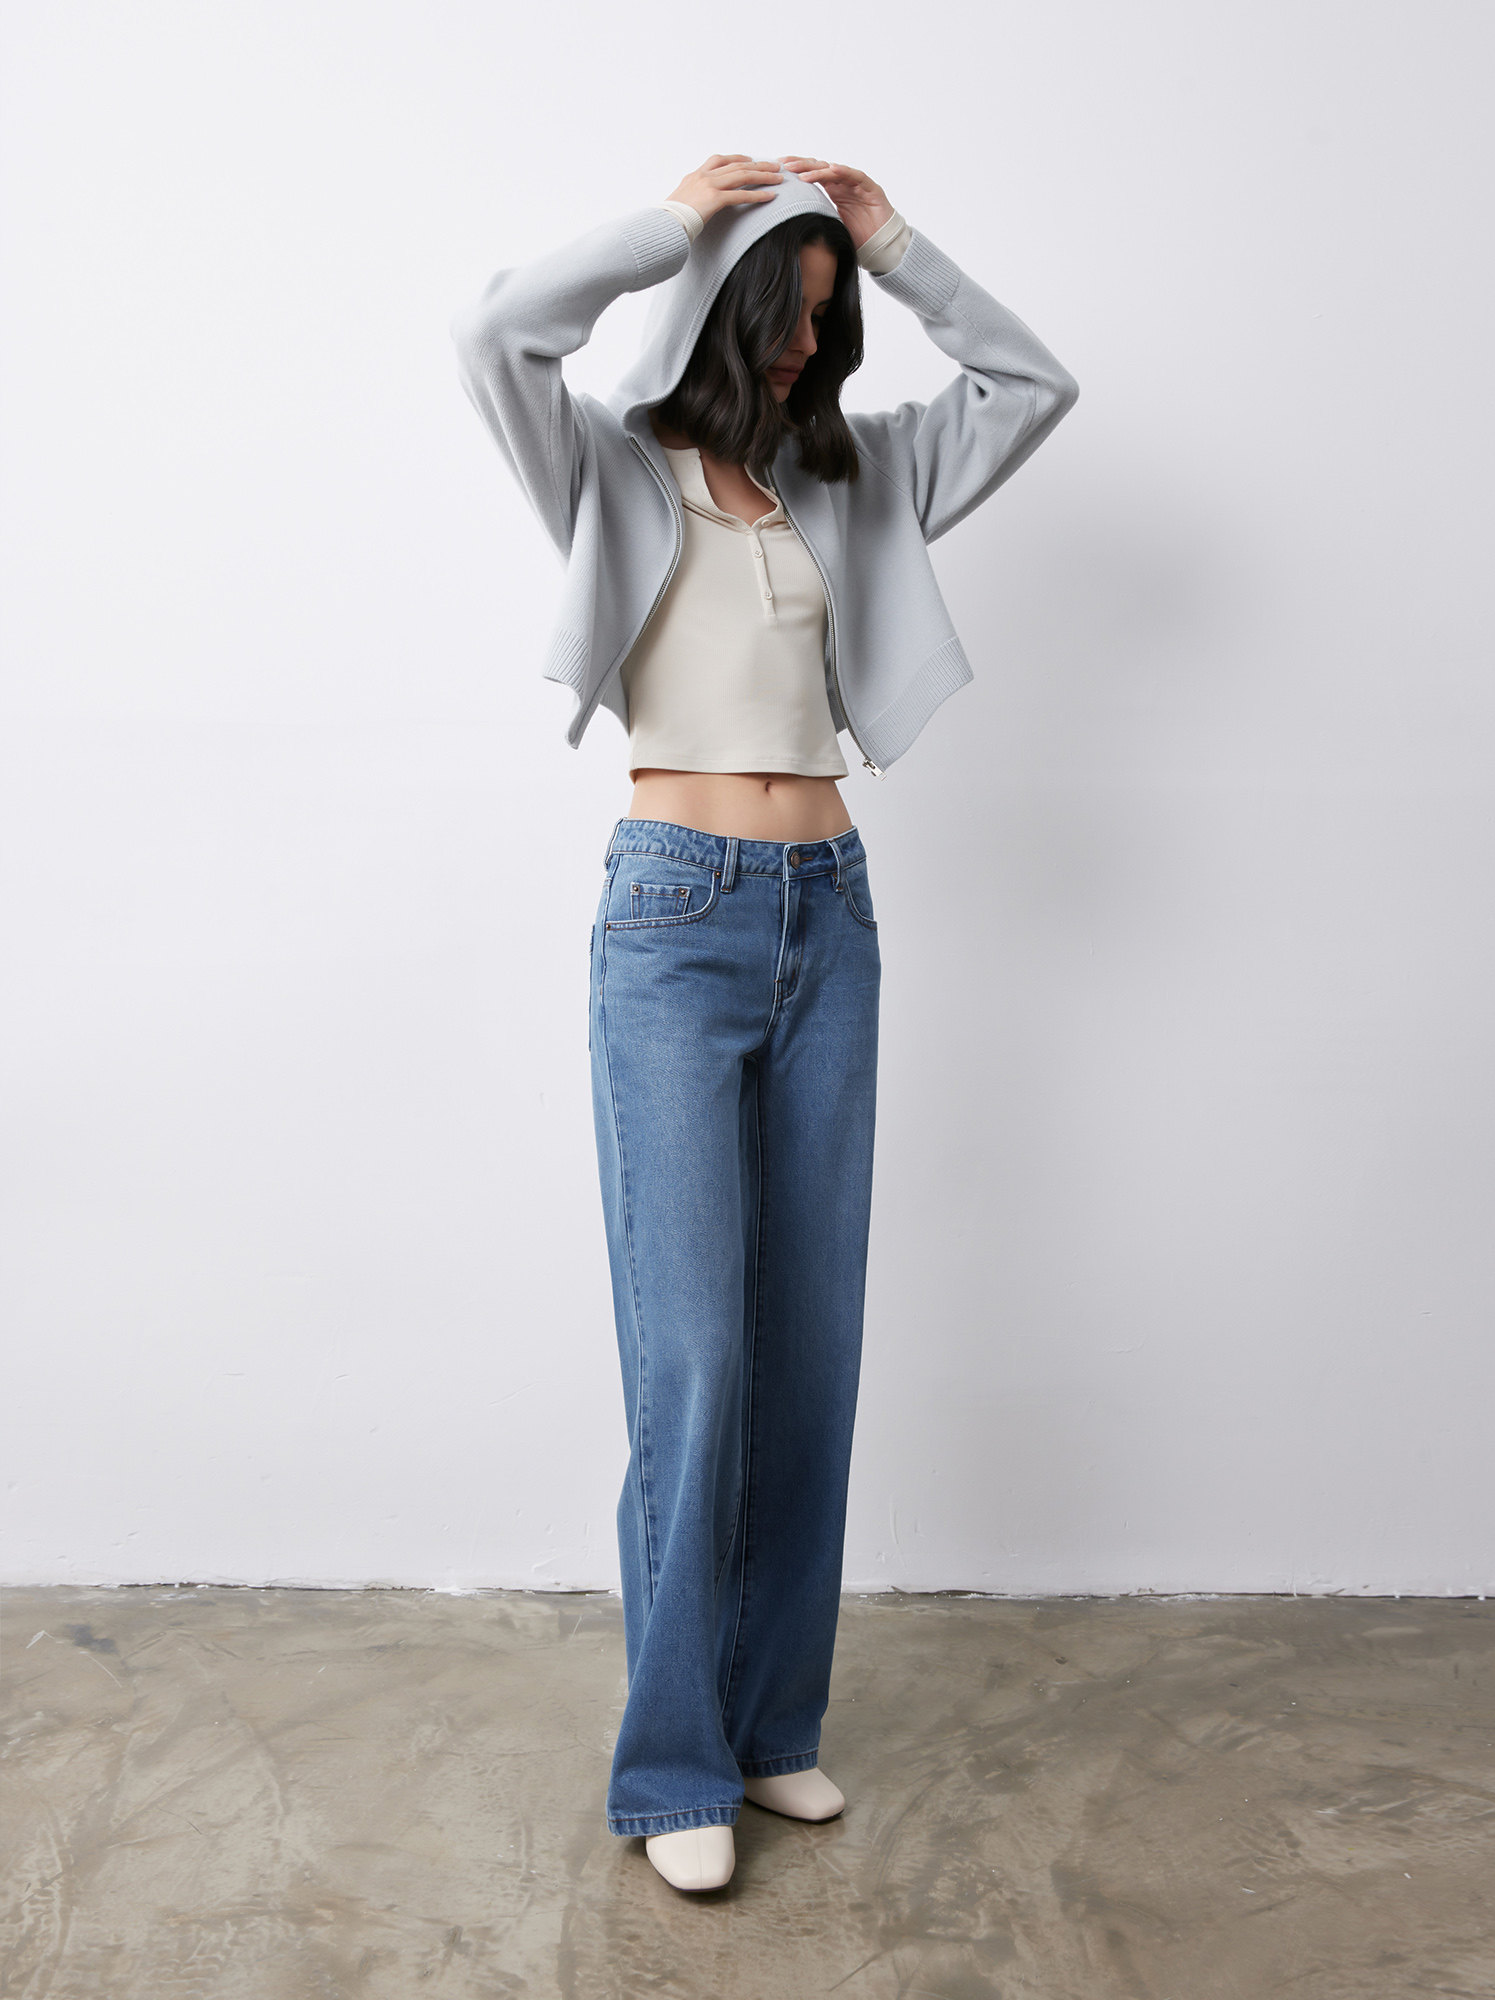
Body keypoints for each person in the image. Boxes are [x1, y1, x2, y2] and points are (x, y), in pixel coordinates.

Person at [450, 154, 1078, 1891]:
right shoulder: (608, 464)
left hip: (831, 917)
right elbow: (498, 336)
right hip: (673, 922)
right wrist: (669, 222)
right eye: (785, 312)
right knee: (697, 1361)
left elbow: (1031, 385)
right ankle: (671, 1773)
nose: (808, 345)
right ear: (719, 305)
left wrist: (892, 243)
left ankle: (771, 1726)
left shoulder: (851, 474)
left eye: (827, 315)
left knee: (809, 1356)